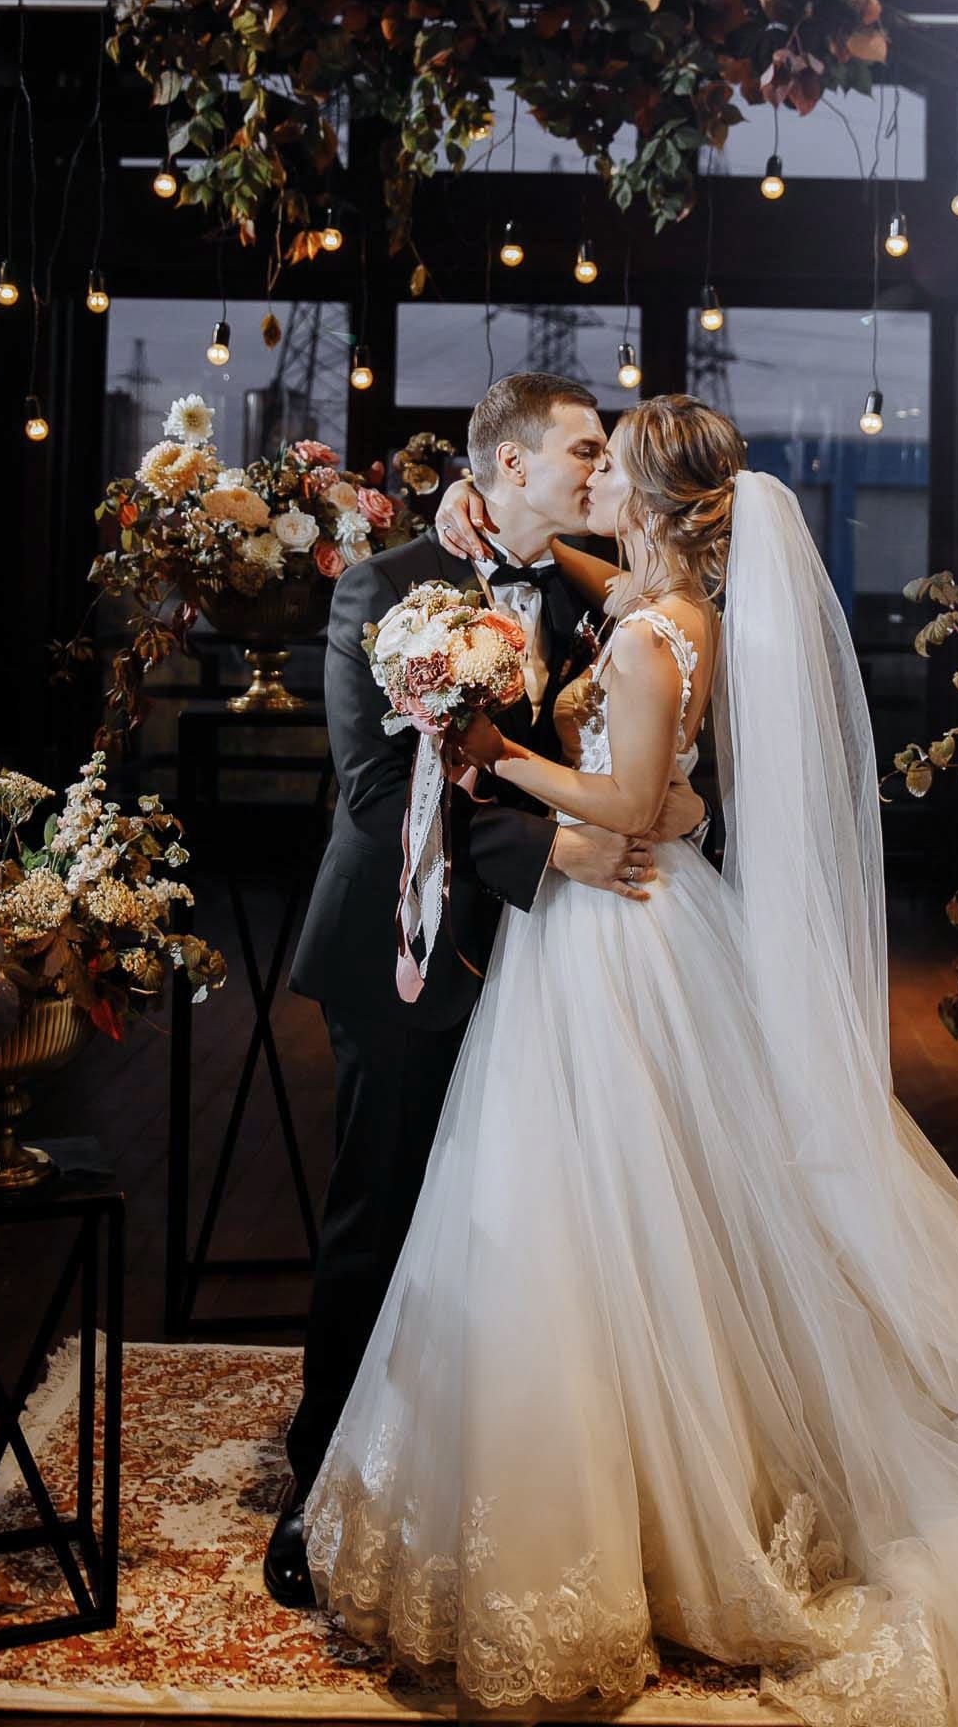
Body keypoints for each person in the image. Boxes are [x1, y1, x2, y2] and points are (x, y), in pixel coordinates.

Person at [300, 394, 958, 1726]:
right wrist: (509, 578)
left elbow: (634, 794)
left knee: (599, 1212)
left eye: (610, 464)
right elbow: (612, 776)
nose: (596, 475)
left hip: (614, 929)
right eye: (584, 453)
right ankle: (606, 1480)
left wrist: (509, 756)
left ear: (650, 500)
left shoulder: (653, 626)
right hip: (584, 922)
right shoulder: (640, 601)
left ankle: (636, 1506)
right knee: (566, 1209)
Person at [263, 373, 706, 1606]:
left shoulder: (591, 592)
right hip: (406, 946)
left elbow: (638, 728)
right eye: (584, 450)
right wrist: (552, 848)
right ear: (511, 465)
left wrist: (654, 809)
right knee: (383, 1213)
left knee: (508, 1231)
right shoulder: (385, 587)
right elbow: (373, 796)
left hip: (548, 969)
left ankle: (472, 1481)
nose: (601, 470)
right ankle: (320, 1485)